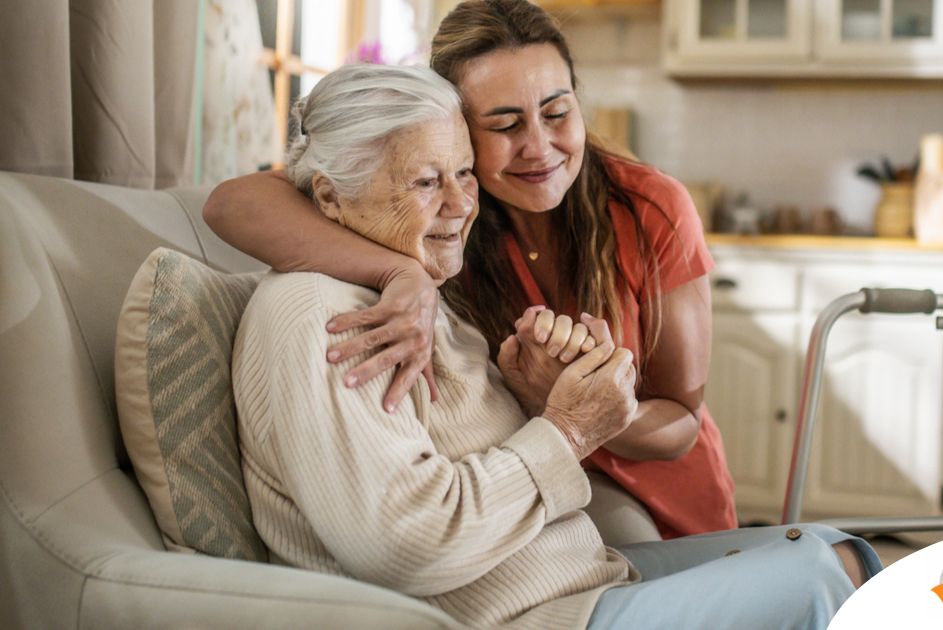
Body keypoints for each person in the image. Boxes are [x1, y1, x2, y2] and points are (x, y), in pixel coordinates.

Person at [234, 62, 880, 629]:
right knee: (825, 579)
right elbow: (407, 542)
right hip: (534, 617)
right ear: (328, 194)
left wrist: (536, 393)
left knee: (838, 548)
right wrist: (567, 430)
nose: (463, 204)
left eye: (463, 173)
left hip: (579, 581)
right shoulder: (324, 317)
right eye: (426, 183)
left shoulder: (410, 289)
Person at [205, 0, 734, 541]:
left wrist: (586, 407)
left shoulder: (649, 207)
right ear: (456, 127)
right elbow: (231, 204)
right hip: (534, 493)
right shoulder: (446, 218)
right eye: (504, 124)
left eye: (557, 113)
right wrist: (399, 273)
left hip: (666, 499)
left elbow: (682, 425)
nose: (539, 147)